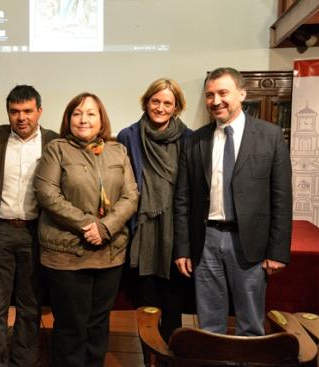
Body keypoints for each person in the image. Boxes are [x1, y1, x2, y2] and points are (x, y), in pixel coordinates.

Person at [174, 67, 292, 336]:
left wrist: (277, 251)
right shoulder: (195, 141)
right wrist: (182, 248)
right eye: (209, 95)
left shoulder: (271, 136)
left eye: (223, 93)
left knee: (250, 323)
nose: (216, 101)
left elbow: (282, 199)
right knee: (209, 324)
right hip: (205, 242)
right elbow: (182, 200)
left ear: (242, 93)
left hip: (249, 243)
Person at [34, 92, 138, 367]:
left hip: (109, 254)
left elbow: (131, 197)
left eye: (91, 113)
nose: (84, 119)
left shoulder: (118, 151)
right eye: (77, 113)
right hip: (66, 254)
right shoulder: (56, 149)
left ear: (101, 119)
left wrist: (105, 228)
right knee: (71, 327)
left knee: (98, 325)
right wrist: (86, 225)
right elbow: (47, 193)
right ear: (68, 118)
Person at [0, 85, 58, 367]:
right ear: (8, 113)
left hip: (35, 233)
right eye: (15, 111)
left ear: (39, 111)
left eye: (27, 111)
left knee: (29, 306)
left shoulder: (54, 142)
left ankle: (23, 362)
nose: (21, 117)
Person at [117, 78, 192, 340]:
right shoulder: (128, 136)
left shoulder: (189, 139)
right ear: (146, 102)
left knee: (173, 302)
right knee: (145, 303)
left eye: (167, 103)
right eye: (155, 101)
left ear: (177, 107)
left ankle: (171, 354)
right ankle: (148, 354)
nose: (160, 107)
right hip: (142, 232)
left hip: (175, 232)